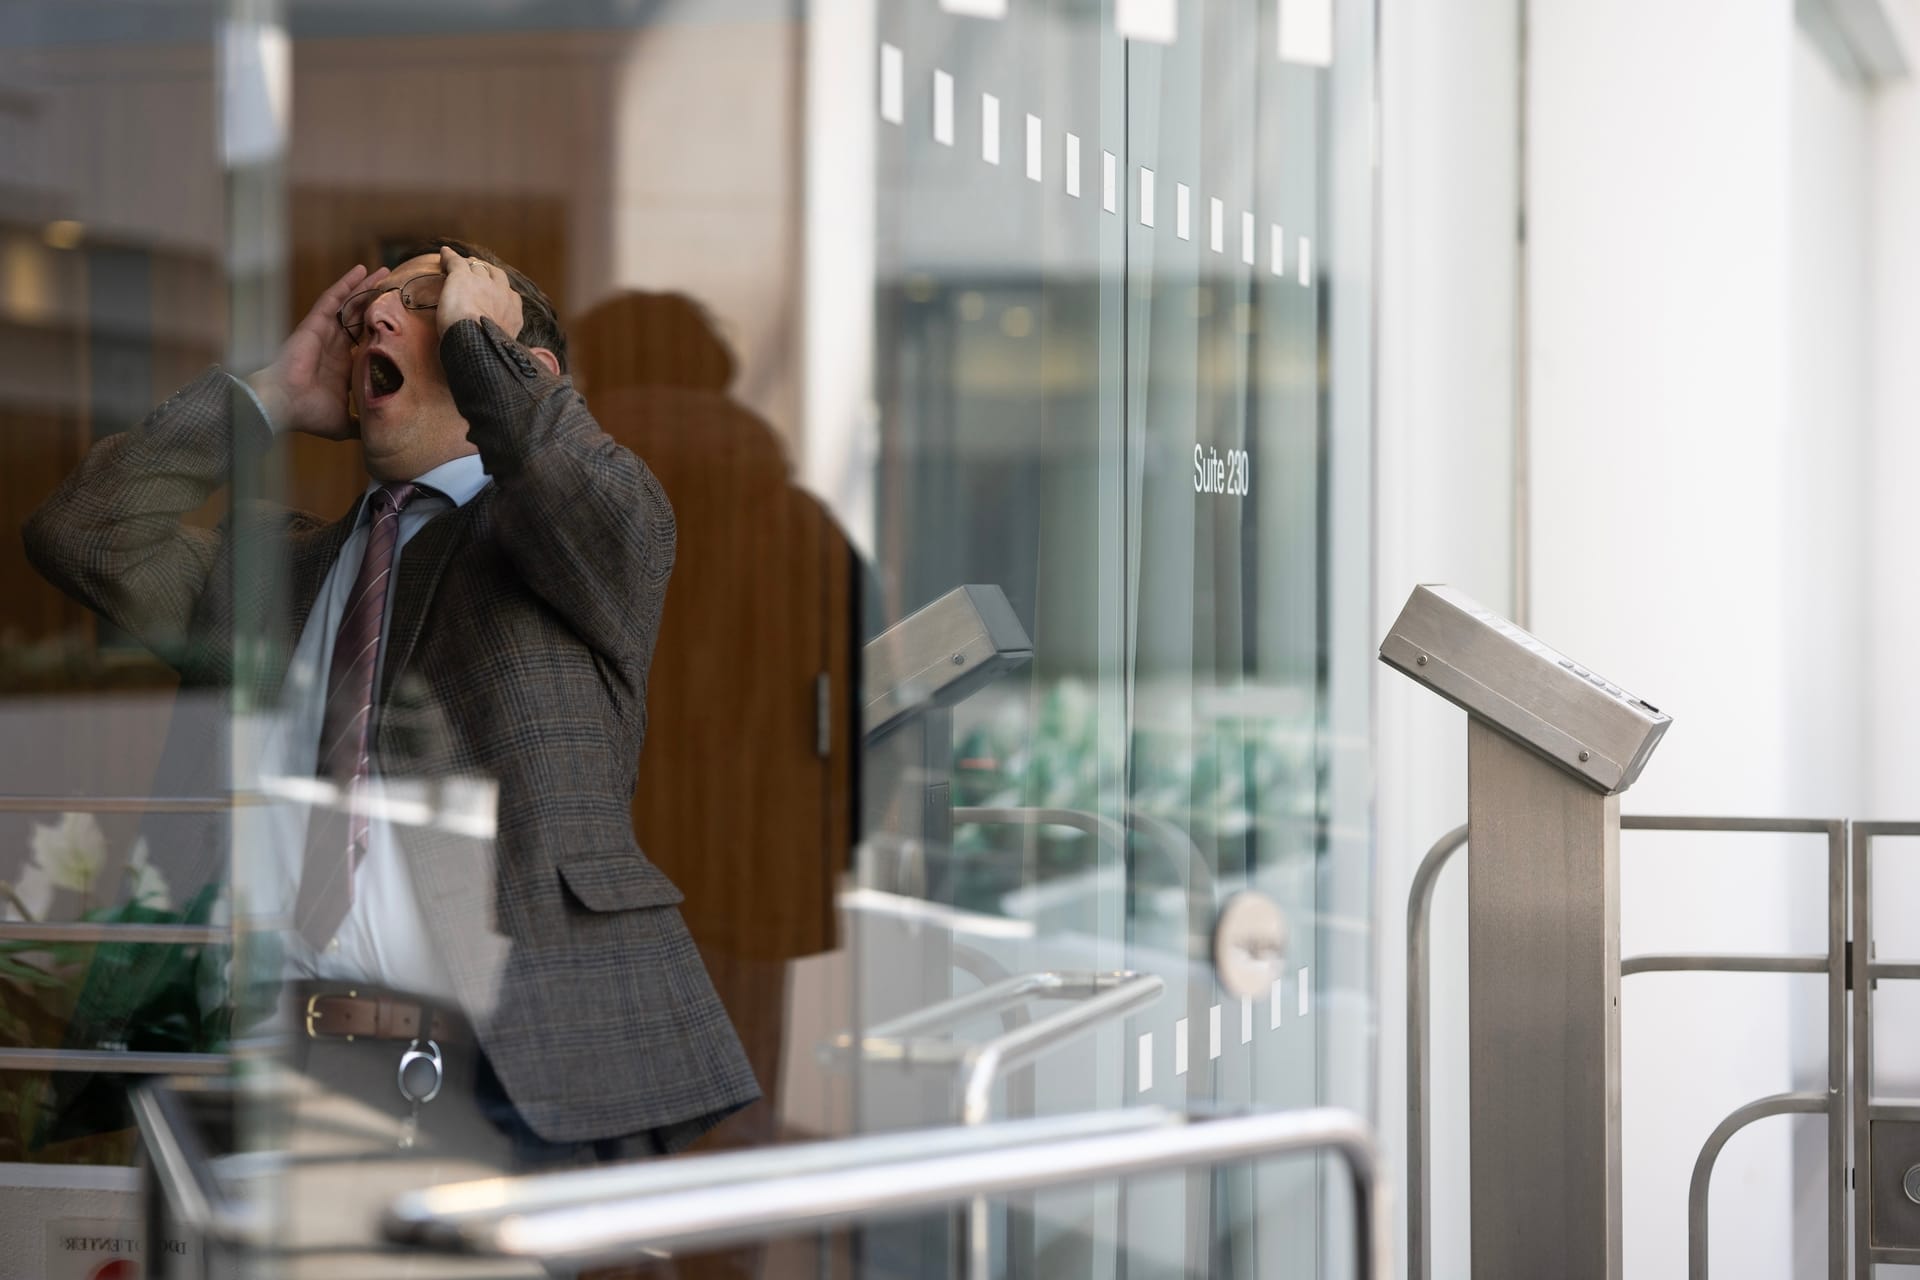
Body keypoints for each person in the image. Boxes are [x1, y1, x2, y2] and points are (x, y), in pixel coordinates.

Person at [22, 239, 760, 1171]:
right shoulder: (274, 569)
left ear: (512, 364)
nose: (375, 315)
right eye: (370, 304)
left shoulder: (566, 550)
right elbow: (81, 534)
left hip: (497, 1074)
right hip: (260, 1060)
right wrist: (273, 396)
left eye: (425, 302)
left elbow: (602, 514)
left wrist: (487, 356)